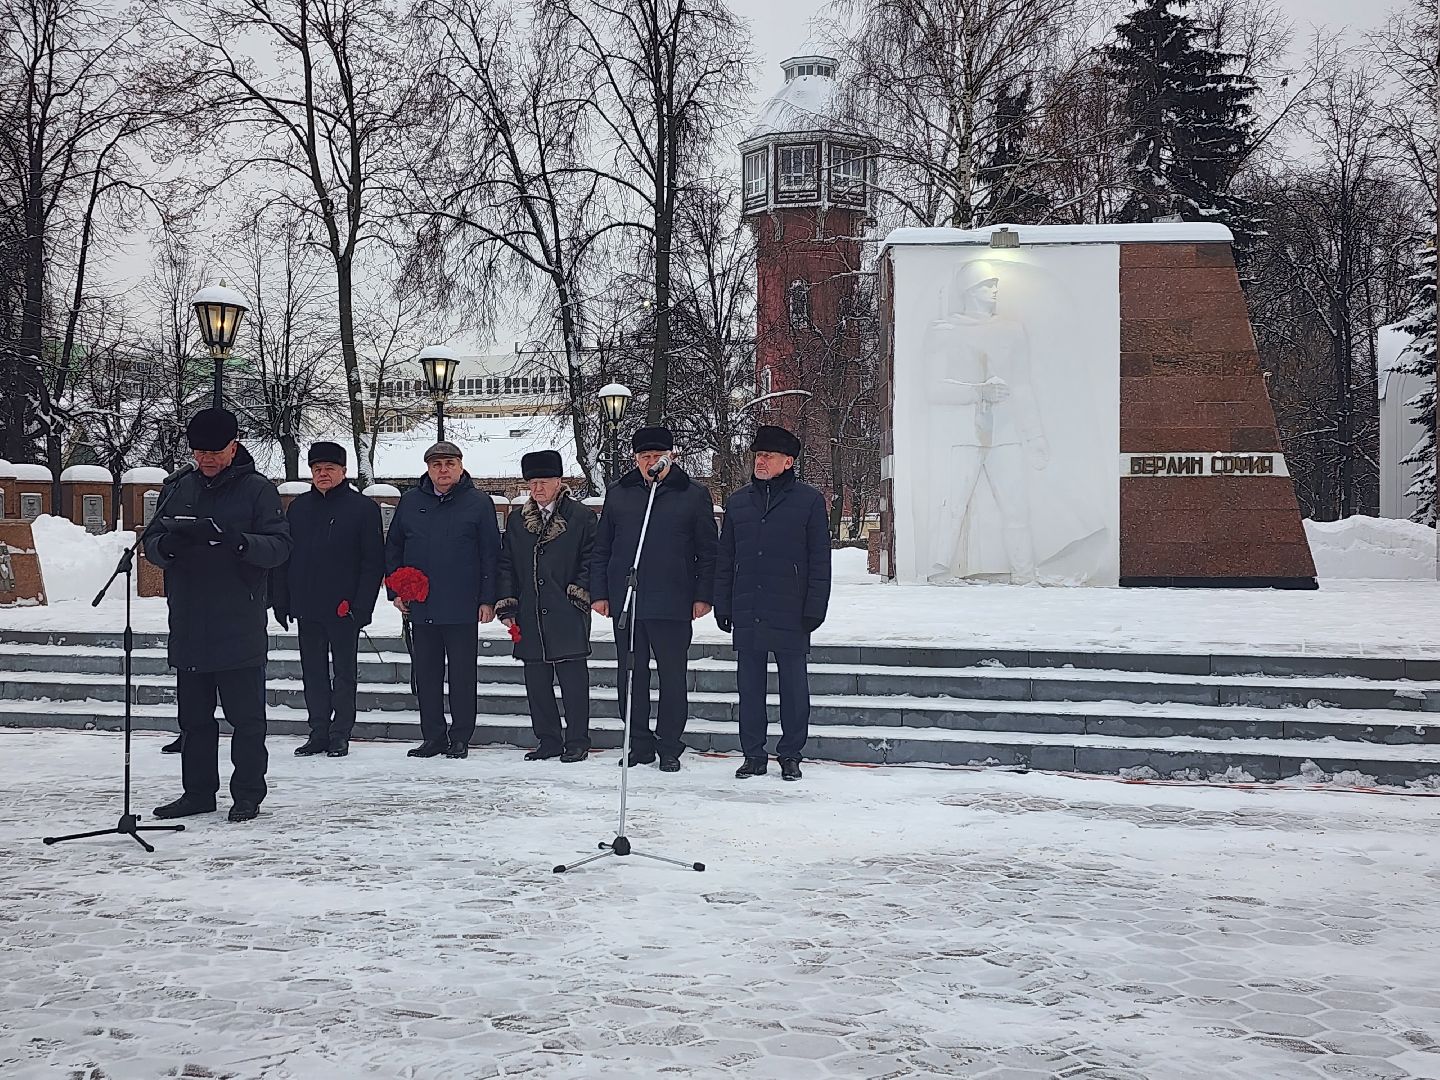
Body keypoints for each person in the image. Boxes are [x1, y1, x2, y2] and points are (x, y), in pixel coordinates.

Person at [141, 408, 293, 821]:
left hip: (237, 620)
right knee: (193, 719)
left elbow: (280, 547)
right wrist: (166, 548)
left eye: (214, 451)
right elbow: (150, 539)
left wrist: (237, 541)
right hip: (190, 619)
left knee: (246, 719)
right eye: (199, 451)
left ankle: (247, 794)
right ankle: (197, 793)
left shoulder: (257, 490)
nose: (206, 458)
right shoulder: (179, 486)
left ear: (234, 445)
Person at [591, 426, 717, 772]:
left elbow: (708, 551)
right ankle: (638, 743)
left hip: (673, 599)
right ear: (635, 459)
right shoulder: (619, 493)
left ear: (671, 457)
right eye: (643, 457)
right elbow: (603, 547)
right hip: (628, 600)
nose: (650, 463)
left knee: (672, 675)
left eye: (656, 457)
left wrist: (703, 595)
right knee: (631, 676)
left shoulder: (692, 494)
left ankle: (669, 745)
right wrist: (601, 592)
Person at [713, 425, 831, 782]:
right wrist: (724, 604)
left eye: (768, 456)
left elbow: (819, 560)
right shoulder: (738, 501)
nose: (761, 461)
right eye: (758, 455)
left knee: (793, 687)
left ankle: (791, 754)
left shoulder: (808, 501)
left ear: (788, 461)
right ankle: (753, 753)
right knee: (749, 686)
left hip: (791, 608)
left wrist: (814, 607)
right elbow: (726, 557)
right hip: (749, 605)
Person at [385, 440, 500, 759]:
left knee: (463, 675)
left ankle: (461, 736)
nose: (443, 469)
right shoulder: (410, 502)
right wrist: (396, 590)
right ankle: (433, 736)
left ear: (461, 466)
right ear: (428, 469)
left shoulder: (478, 503)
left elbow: (491, 553)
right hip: (421, 605)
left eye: (449, 463)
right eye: (436, 464)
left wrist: (488, 599)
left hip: (463, 605)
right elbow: (393, 546)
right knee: (427, 674)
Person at [271, 441, 384, 759]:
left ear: (344, 472)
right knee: (313, 672)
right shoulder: (299, 508)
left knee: (344, 673)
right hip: (307, 605)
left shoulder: (362, 509)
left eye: (329, 469)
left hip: (344, 608)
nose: (323, 474)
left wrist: (362, 606)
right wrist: (282, 600)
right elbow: (285, 557)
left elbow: (372, 562)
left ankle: (340, 732)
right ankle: (318, 730)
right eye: (317, 469)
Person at [495, 450, 597, 763]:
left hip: (566, 608)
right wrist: (508, 604)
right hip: (529, 610)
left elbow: (591, 559)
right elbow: (507, 563)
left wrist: (576, 594)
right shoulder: (517, 519)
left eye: (544, 481)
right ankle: (548, 739)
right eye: (533, 482)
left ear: (559, 481)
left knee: (573, 681)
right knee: (537, 682)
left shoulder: (580, 517)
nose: (538, 488)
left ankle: (578, 740)